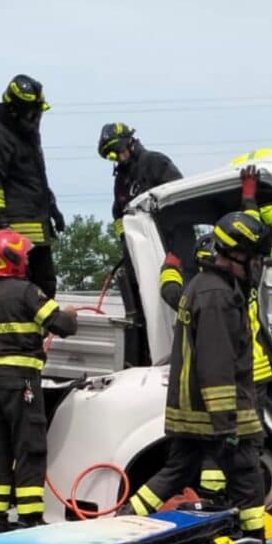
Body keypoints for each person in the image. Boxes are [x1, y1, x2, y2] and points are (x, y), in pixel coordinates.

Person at [123, 211, 272, 544]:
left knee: (175, 472)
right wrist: (228, 425)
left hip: (191, 410)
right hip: (217, 411)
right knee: (248, 478)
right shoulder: (218, 296)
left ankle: (124, 525)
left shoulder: (204, 286)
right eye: (254, 260)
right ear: (235, 256)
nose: (256, 268)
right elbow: (217, 366)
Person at [0, 229, 78, 533]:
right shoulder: (26, 291)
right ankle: (30, 518)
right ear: (13, 258)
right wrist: (70, 314)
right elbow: (62, 325)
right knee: (29, 447)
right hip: (21, 382)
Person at [98, 122, 193, 365]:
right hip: (141, 255)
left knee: (175, 303)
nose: (116, 158)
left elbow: (180, 200)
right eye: (110, 155)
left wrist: (174, 248)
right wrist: (125, 239)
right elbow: (119, 216)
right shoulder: (121, 178)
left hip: (172, 248)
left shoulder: (155, 163)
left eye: (117, 151)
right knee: (144, 311)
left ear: (130, 142)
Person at [0, 75, 64, 298]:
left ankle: (39, 333)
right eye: (32, 113)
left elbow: (36, 180)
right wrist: (1, 225)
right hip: (13, 240)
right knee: (22, 297)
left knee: (45, 289)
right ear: (15, 110)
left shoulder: (28, 137)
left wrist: (52, 208)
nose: (37, 118)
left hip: (38, 231)